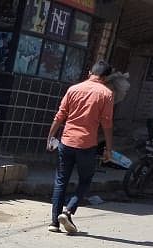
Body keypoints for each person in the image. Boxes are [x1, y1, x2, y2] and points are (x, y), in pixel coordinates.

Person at [45, 60, 115, 235]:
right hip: (87, 145)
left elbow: (60, 115)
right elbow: (107, 124)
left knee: (61, 181)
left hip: (66, 142)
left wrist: (50, 136)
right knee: (85, 181)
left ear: (90, 72)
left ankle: (54, 222)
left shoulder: (73, 89)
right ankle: (68, 211)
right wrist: (108, 148)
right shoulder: (106, 94)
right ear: (106, 77)